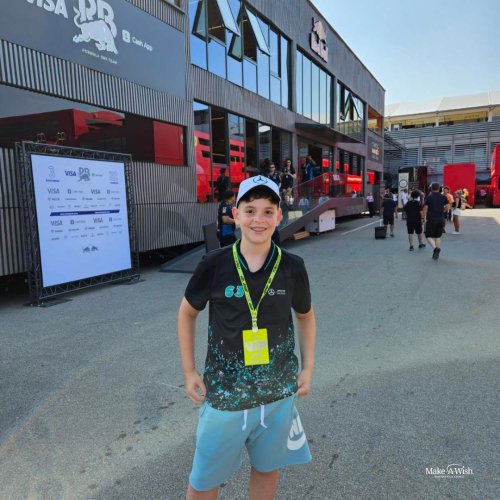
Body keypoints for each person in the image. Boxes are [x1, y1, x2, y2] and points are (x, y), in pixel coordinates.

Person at [178, 175, 316, 499]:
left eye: (268, 211)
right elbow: (187, 313)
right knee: (204, 481)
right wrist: (189, 371)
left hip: (278, 394)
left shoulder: (292, 266)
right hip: (225, 396)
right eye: (250, 211)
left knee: (267, 471)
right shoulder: (214, 264)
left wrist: (308, 367)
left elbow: (306, 316)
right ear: (236, 215)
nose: (259, 220)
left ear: (279, 217)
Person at [422, 182, 451, 260]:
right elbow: (448, 207)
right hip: (441, 218)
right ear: (439, 188)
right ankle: (436, 253)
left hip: (431, 219)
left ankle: (435, 249)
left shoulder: (429, 197)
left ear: (431, 188)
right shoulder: (444, 197)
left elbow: (425, 209)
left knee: (428, 235)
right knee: (438, 236)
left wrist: (423, 218)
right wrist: (443, 211)